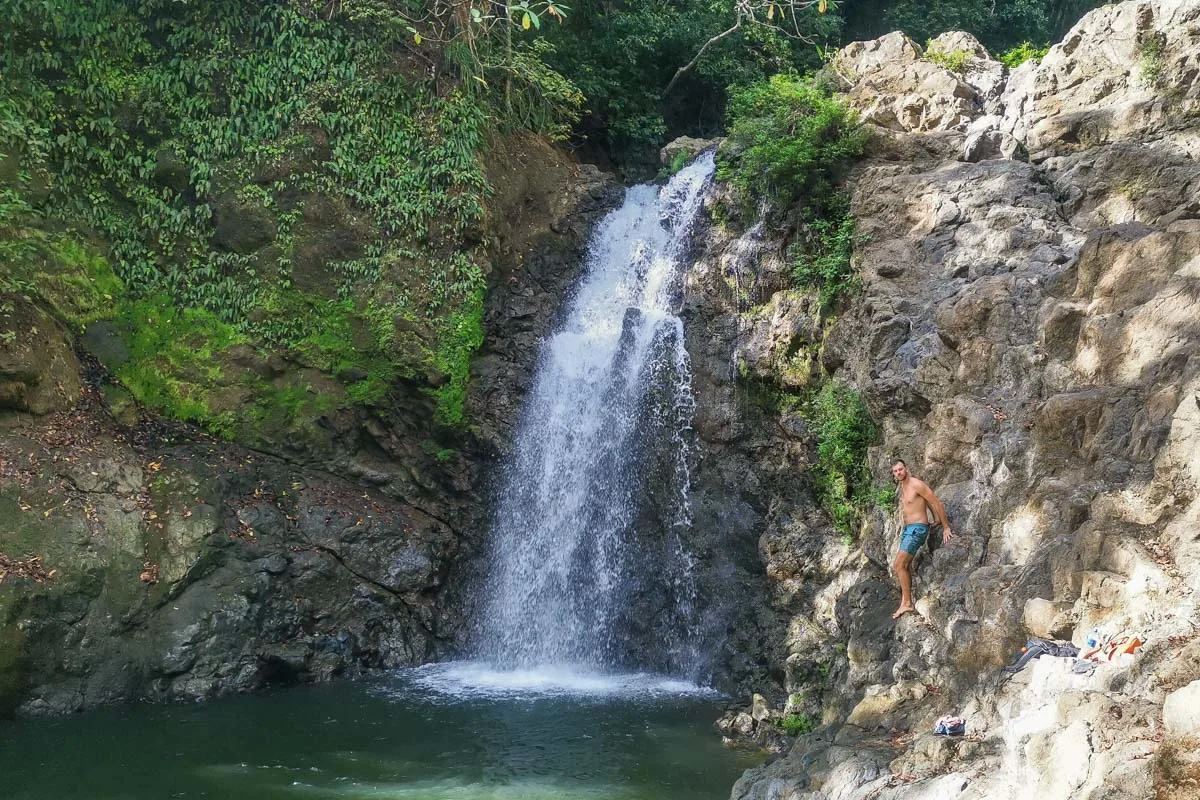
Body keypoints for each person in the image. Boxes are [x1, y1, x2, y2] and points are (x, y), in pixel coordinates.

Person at [889, 459, 954, 619]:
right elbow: (925, 503)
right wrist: (936, 520)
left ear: (907, 468)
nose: (899, 473)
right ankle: (906, 601)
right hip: (908, 530)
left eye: (901, 469)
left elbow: (935, 502)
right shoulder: (902, 487)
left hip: (917, 530)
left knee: (898, 565)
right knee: (902, 565)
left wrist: (945, 526)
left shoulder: (916, 484)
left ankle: (907, 603)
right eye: (896, 471)